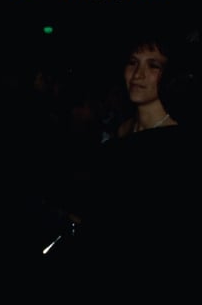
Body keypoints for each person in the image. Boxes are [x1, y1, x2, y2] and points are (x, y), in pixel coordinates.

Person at [69, 26, 200, 302]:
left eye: (153, 66)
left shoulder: (183, 144)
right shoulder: (119, 132)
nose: (138, 75)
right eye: (132, 63)